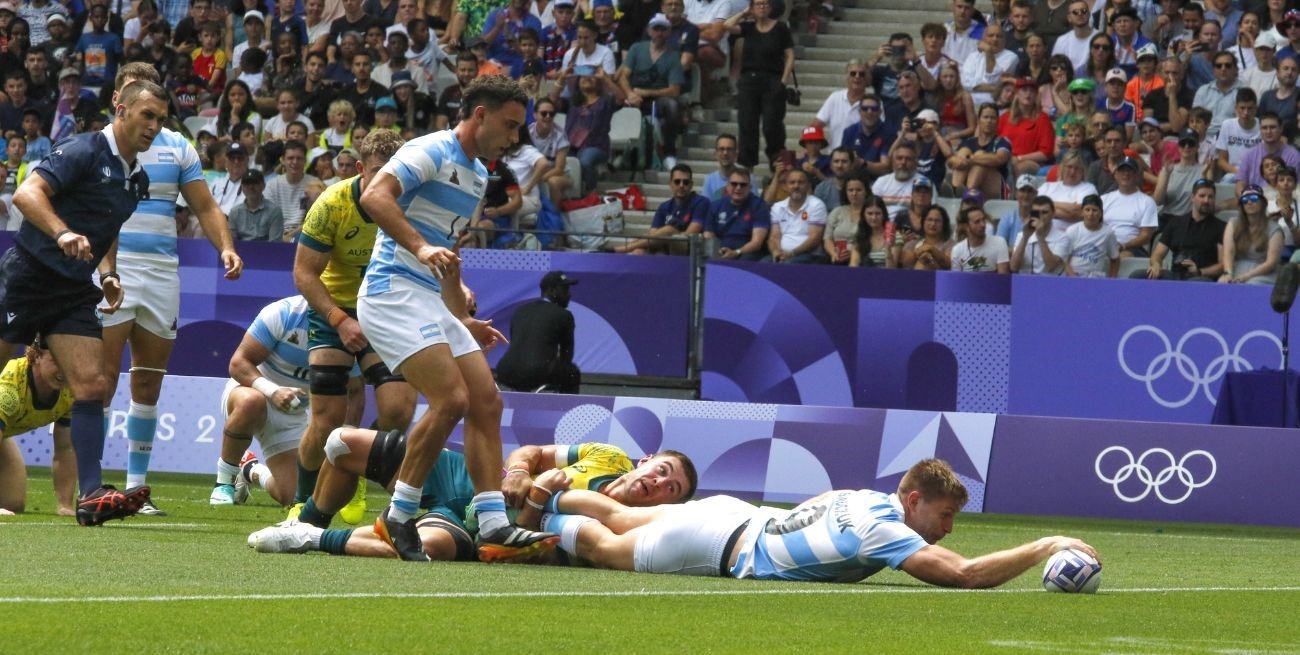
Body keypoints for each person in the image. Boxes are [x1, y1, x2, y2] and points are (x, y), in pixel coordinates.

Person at [356, 75, 554, 561]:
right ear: (480, 115)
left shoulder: (480, 176)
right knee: (452, 399)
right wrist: (420, 247)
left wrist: (460, 318)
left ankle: (491, 523)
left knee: (486, 401)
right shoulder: (432, 150)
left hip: (426, 297)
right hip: (390, 292)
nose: (515, 138)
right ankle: (399, 515)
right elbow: (374, 197)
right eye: (509, 126)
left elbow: (445, 260)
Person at [1, 79, 168, 526]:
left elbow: (106, 227)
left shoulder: (137, 180)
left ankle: (92, 494)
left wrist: (108, 272)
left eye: (161, 120)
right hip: (29, 276)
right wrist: (62, 233)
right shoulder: (83, 150)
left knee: (93, 385)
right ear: (122, 109)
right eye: (147, 115)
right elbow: (26, 194)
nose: (154, 127)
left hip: (73, 289)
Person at [531, 458, 1100, 589]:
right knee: (606, 548)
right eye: (944, 515)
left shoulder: (863, 496)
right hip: (723, 543)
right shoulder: (885, 529)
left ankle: (542, 496)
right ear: (914, 499)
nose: (948, 528)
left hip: (739, 512)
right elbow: (964, 575)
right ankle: (532, 527)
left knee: (623, 511)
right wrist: (1046, 543)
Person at [248, 438, 696, 560]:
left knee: (428, 548)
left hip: (482, 522)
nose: (658, 484)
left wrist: (538, 496)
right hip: (475, 477)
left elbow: (536, 537)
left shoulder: (613, 522)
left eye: (669, 489)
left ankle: (307, 539)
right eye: (662, 471)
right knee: (342, 445)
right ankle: (306, 519)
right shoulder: (608, 455)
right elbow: (533, 451)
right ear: (647, 459)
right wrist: (521, 469)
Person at [290, 130, 416, 523]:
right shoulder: (331, 204)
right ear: (361, 168)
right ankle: (301, 498)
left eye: (394, 174)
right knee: (326, 421)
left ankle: (357, 461)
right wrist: (339, 319)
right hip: (335, 309)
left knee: (399, 409)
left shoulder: (411, 202)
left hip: (385, 311)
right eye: (378, 172)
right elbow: (304, 274)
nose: (385, 182)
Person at [0, 339, 76, 517]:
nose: (64, 370)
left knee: (13, 503)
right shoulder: (8, 388)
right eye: (57, 360)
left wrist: (65, 506)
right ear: (36, 356)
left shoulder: (71, 391)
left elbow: (66, 449)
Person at [724, 0, 794, 169]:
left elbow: (790, 56)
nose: (761, 7)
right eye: (758, 4)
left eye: (764, 4)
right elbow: (726, 26)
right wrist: (744, 13)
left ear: (770, 7)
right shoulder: (748, 28)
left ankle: (776, 160)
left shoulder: (780, 28)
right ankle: (747, 164)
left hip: (773, 79)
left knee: (772, 123)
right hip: (749, 80)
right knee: (747, 123)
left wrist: (784, 81)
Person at [494, 271, 581, 394]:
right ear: (552, 291)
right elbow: (567, 355)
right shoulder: (564, 315)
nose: (569, 295)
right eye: (565, 289)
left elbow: (517, 344)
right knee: (572, 372)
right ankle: (566, 411)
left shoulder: (521, 311)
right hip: (535, 373)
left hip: (505, 370)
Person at [1140, 177, 1226, 280]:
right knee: (1138, 276)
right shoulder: (1176, 223)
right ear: (1192, 198)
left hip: (1202, 279)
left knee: (1197, 281)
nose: (1206, 200)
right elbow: (1157, 254)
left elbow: (1223, 265)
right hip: (1175, 276)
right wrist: (1156, 265)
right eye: (1202, 196)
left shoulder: (1221, 227)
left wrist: (1199, 271)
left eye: (1210, 197)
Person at [616, 164, 708, 255]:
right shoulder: (664, 206)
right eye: (677, 182)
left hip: (690, 249)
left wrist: (666, 235)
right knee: (639, 252)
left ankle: (624, 248)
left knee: (669, 230)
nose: (681, 185)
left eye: (686, 182)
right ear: (670, 184)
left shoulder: (701, 202)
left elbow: (690, 233)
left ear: (691, 184)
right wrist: (662, 239)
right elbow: (652, 233)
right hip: (663, 247)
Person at [1220, 184, 1284, 284]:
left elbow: (1271, 262)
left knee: (1251, 284)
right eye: (1245, 200)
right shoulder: (1233, 223)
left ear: (1263, 203)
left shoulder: (1275, 229)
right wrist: (1228, 273)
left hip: (1263, 273)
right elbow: (1229, 251)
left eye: (1254, 198)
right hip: (1237, 268)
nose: (1249, 202)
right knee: (1222, 283)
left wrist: (1245, 277)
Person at [703, 167, 770, 260]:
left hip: (747, 253)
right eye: (734, 184)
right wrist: (717, 251)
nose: (738, 188)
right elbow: (708, 234)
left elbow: (757, 243)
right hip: (720, 251)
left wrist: (736, 252)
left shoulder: (759, 206)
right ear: (727, 186)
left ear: (750, 187)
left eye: (743, 185)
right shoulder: (715, 206)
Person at [950, 103, 1012, 201]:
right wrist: (955, 161)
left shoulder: (1002, 141)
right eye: (986, 117)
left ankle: (968, 196)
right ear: (978, 120)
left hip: (996, 188)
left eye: (993, 118)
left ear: (997, 122)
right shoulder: (969, 141)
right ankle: (956, 191)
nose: (989, 121)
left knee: (981, 157)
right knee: (963, 152)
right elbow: (952, 161)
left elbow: (1000, 159)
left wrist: (971, 159)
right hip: (972, 183)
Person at [767, 168, 829, 264]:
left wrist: (791, 253)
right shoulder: (777, 207)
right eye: (792, 183)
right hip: (783, 255)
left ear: (808, 186)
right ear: (785, 186)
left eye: (801, 182)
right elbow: (774, 237)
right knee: (762, 263)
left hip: (809, 255)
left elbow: (814, 239)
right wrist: (776, 252)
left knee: (787, 265)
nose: (796, 186)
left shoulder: (816, 205)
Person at [1100, 157, 1158, 256]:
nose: (1126, 174)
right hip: (1104, 245)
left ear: (1137, 175)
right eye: (1122, 170)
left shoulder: (1147, 202)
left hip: (1133, 248)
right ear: (1116, 175)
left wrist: (1123, 245)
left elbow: (1146, 235)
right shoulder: (1104, 199)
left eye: (1130, 170)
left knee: (1120, 257)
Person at [998, 77, 1055, 177]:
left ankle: (1012, 192)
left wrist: (1019, 158)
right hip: (1005, 159)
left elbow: (1046, 153)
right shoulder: (1004, 117)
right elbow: (995, 142)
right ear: (1017, 93)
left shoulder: (1042, 119)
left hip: (1031, 162)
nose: (1028, 94)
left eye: (1032, 91)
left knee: (1018, 168)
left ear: (1036, 95)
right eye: (1024, 90)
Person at [1061, 193, 1119, 277]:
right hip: (1073, 275)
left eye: (1094, 210)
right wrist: (1073, 276)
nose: (1090, 214)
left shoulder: (1108, 233)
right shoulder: (1072, 230)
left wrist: (1111, 281)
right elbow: (1065, 259)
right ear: (1082, 211)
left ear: (1101, 212)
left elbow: (1115, 259)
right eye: (1087, 210)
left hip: (1095, 277)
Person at [1011, 195, 1068, 275]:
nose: (1041, 216)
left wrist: (1040, 237)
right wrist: (1025, 238)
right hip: (1025, 282)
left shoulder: (1063, 237)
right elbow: (1014, 267)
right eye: (1036, 213)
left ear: (1053, 214)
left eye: (1045, 212)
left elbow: (1051, 267)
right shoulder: (1022, 235)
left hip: (1051, 284)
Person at [823, 172, 867, 265]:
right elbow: (827, 238)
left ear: (866, 191)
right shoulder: (837, 211)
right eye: (850, 190)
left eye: (858, 190)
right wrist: (833, 253)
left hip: (862, 259)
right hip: (836, 257)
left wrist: (854, 254)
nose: (854, 193)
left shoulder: (871, 213)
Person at [951, 206, 1010, 272]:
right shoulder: (957, 250)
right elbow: (956, 279)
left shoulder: (999, 243)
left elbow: (1003, 278)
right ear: (966, 226)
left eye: (983, 220)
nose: (983, 225)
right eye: (977, 222)